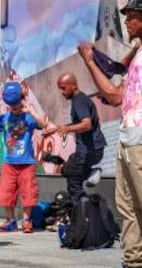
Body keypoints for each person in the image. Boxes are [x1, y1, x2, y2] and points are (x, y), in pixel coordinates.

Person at [77, 1, 142, 266]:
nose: (126, 21)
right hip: (128, 139)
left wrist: (89, 61)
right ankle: (133, 260)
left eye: (132, 17)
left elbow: (114, 95)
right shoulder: (138, 55)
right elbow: (118, 88)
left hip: (140, 142)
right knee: (128, 208)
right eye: (125, 17)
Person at [0, 82, 47, 233]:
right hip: (9, 162)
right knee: (6, 192)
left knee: (28, 191)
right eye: (11, 104)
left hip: (26, 162)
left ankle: (27, 220)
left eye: (17, 103)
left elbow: (43, 124)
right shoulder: (4, 118)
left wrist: (32, 111)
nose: (14, 107)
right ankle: (10, 221)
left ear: (22, 100)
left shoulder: (29, 118)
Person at [43, 74, 106, 202]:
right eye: (60, 89)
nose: (62, 92)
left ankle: (82, 214)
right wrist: (58, 128)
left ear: (74, 86)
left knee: (73, 182)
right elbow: (83, 123)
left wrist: (67, 129)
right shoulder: (81, 99)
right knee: (69, 169)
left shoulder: (79, 101)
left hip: (88, 151)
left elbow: (87, 124)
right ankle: (90, 173)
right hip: (93, 150)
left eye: (63, 88)